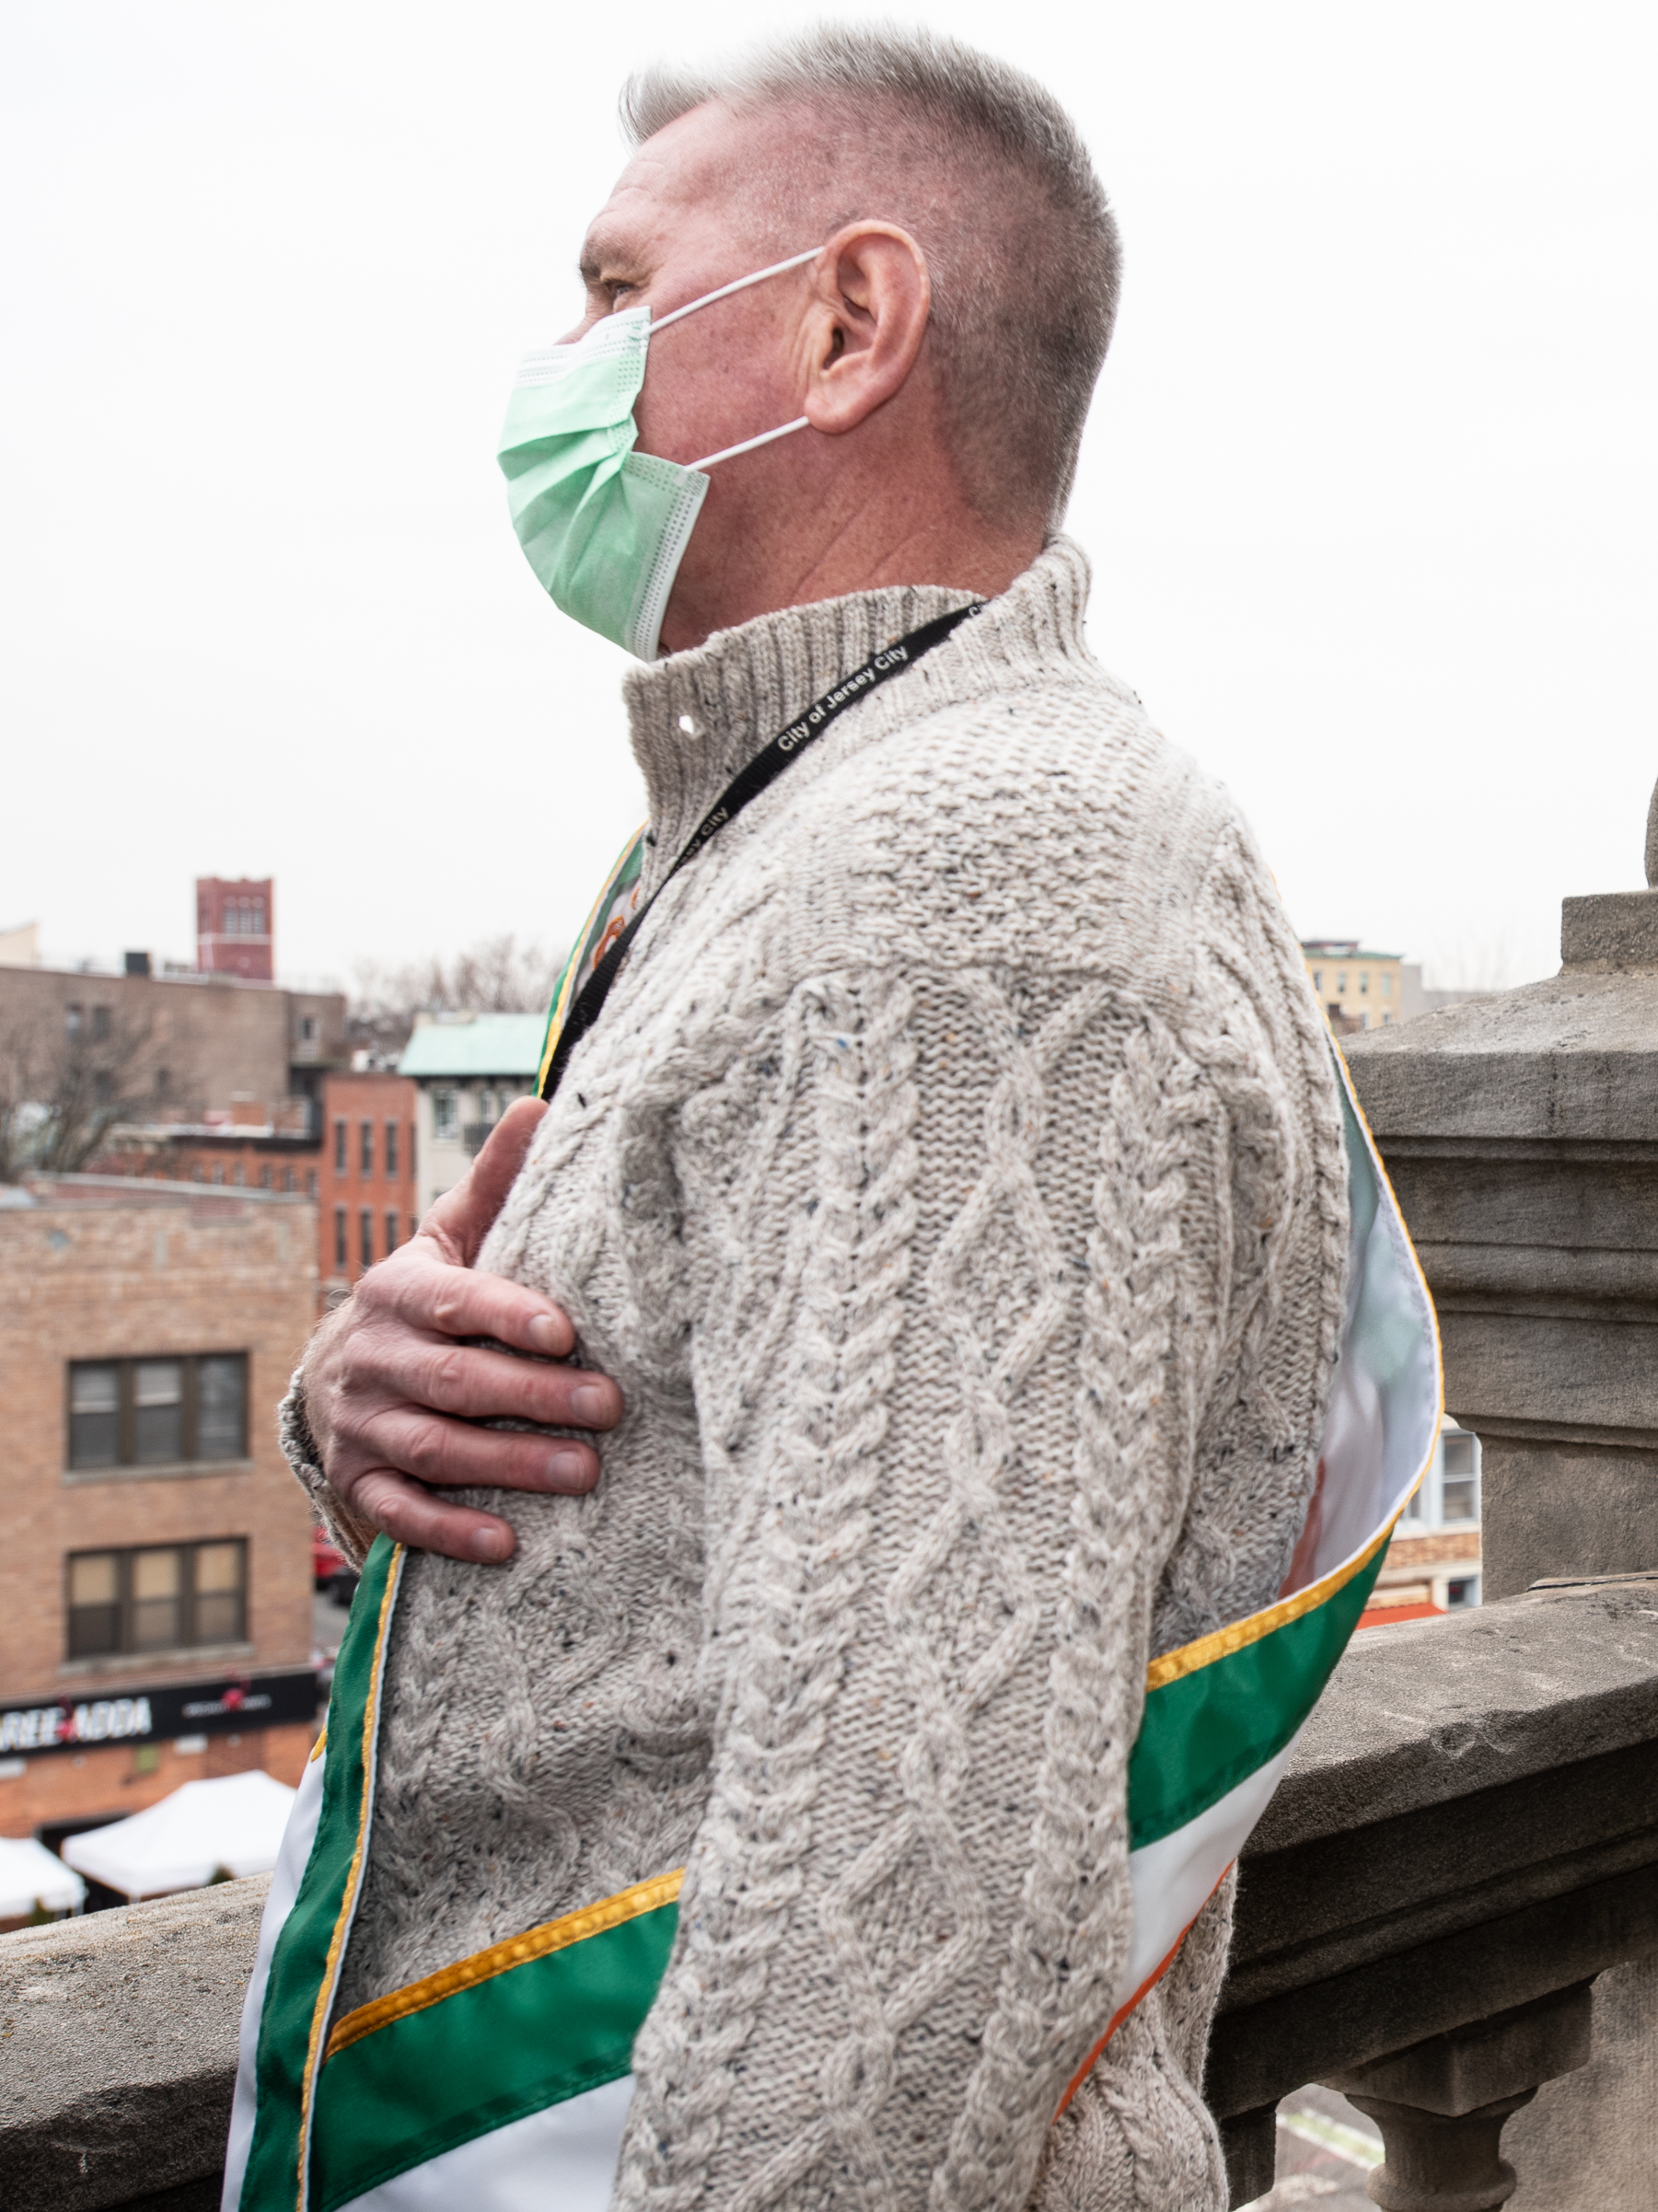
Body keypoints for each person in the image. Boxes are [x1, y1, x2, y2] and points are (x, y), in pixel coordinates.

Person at [245, 28, 1363, 2208]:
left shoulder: (957, 887)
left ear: (850, 324)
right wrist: (349, 1403)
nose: (551, 358)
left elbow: (904, 1888)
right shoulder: (808, 824)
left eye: (608, 284)